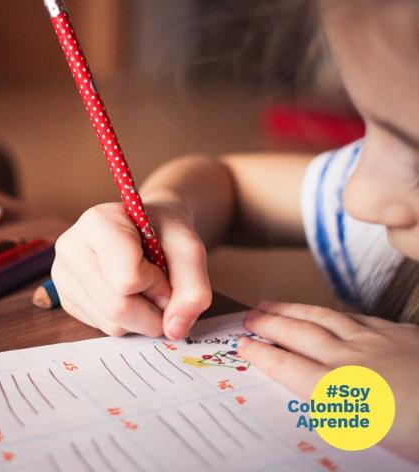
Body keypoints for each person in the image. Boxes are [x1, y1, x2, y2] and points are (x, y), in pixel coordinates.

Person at [51, 0, 419, 462]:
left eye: (415, 157)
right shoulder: (386, 211)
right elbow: (228, 183)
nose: (356, 197)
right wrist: (167, 212)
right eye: (368, 131)